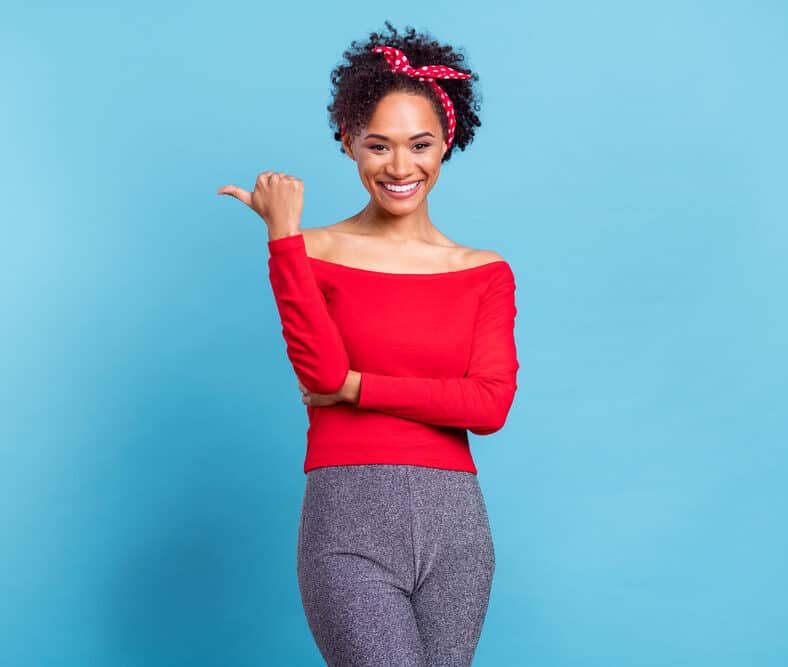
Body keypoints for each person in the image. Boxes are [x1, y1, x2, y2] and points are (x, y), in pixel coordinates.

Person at [217, 21, 519, 667]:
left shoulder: (484, 271)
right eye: (379, 145)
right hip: (348, 520)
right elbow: (320, 368)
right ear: (350, 142)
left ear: (447, 143)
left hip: (457, 530)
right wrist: (283, 236)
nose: (401, 166)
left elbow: (489, 406)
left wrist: (358, 388)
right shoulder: (313, 250)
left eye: (420, 144)